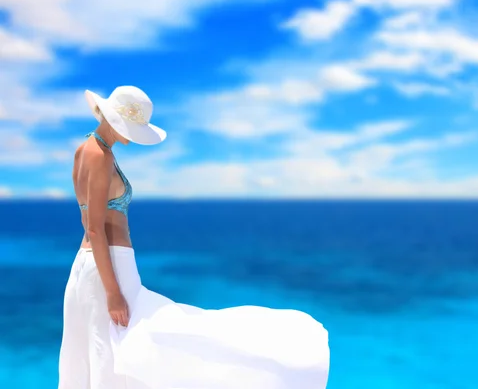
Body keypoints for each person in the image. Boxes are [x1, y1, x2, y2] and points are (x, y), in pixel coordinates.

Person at [58, 86, 330, 389]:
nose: (132, 137)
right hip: (109, 265)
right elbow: (95, 227)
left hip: (86, 265)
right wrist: (112, 292)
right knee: (126, 347)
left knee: (100, 351)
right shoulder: (102, 156)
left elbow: (88, 220)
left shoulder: (84, 150)